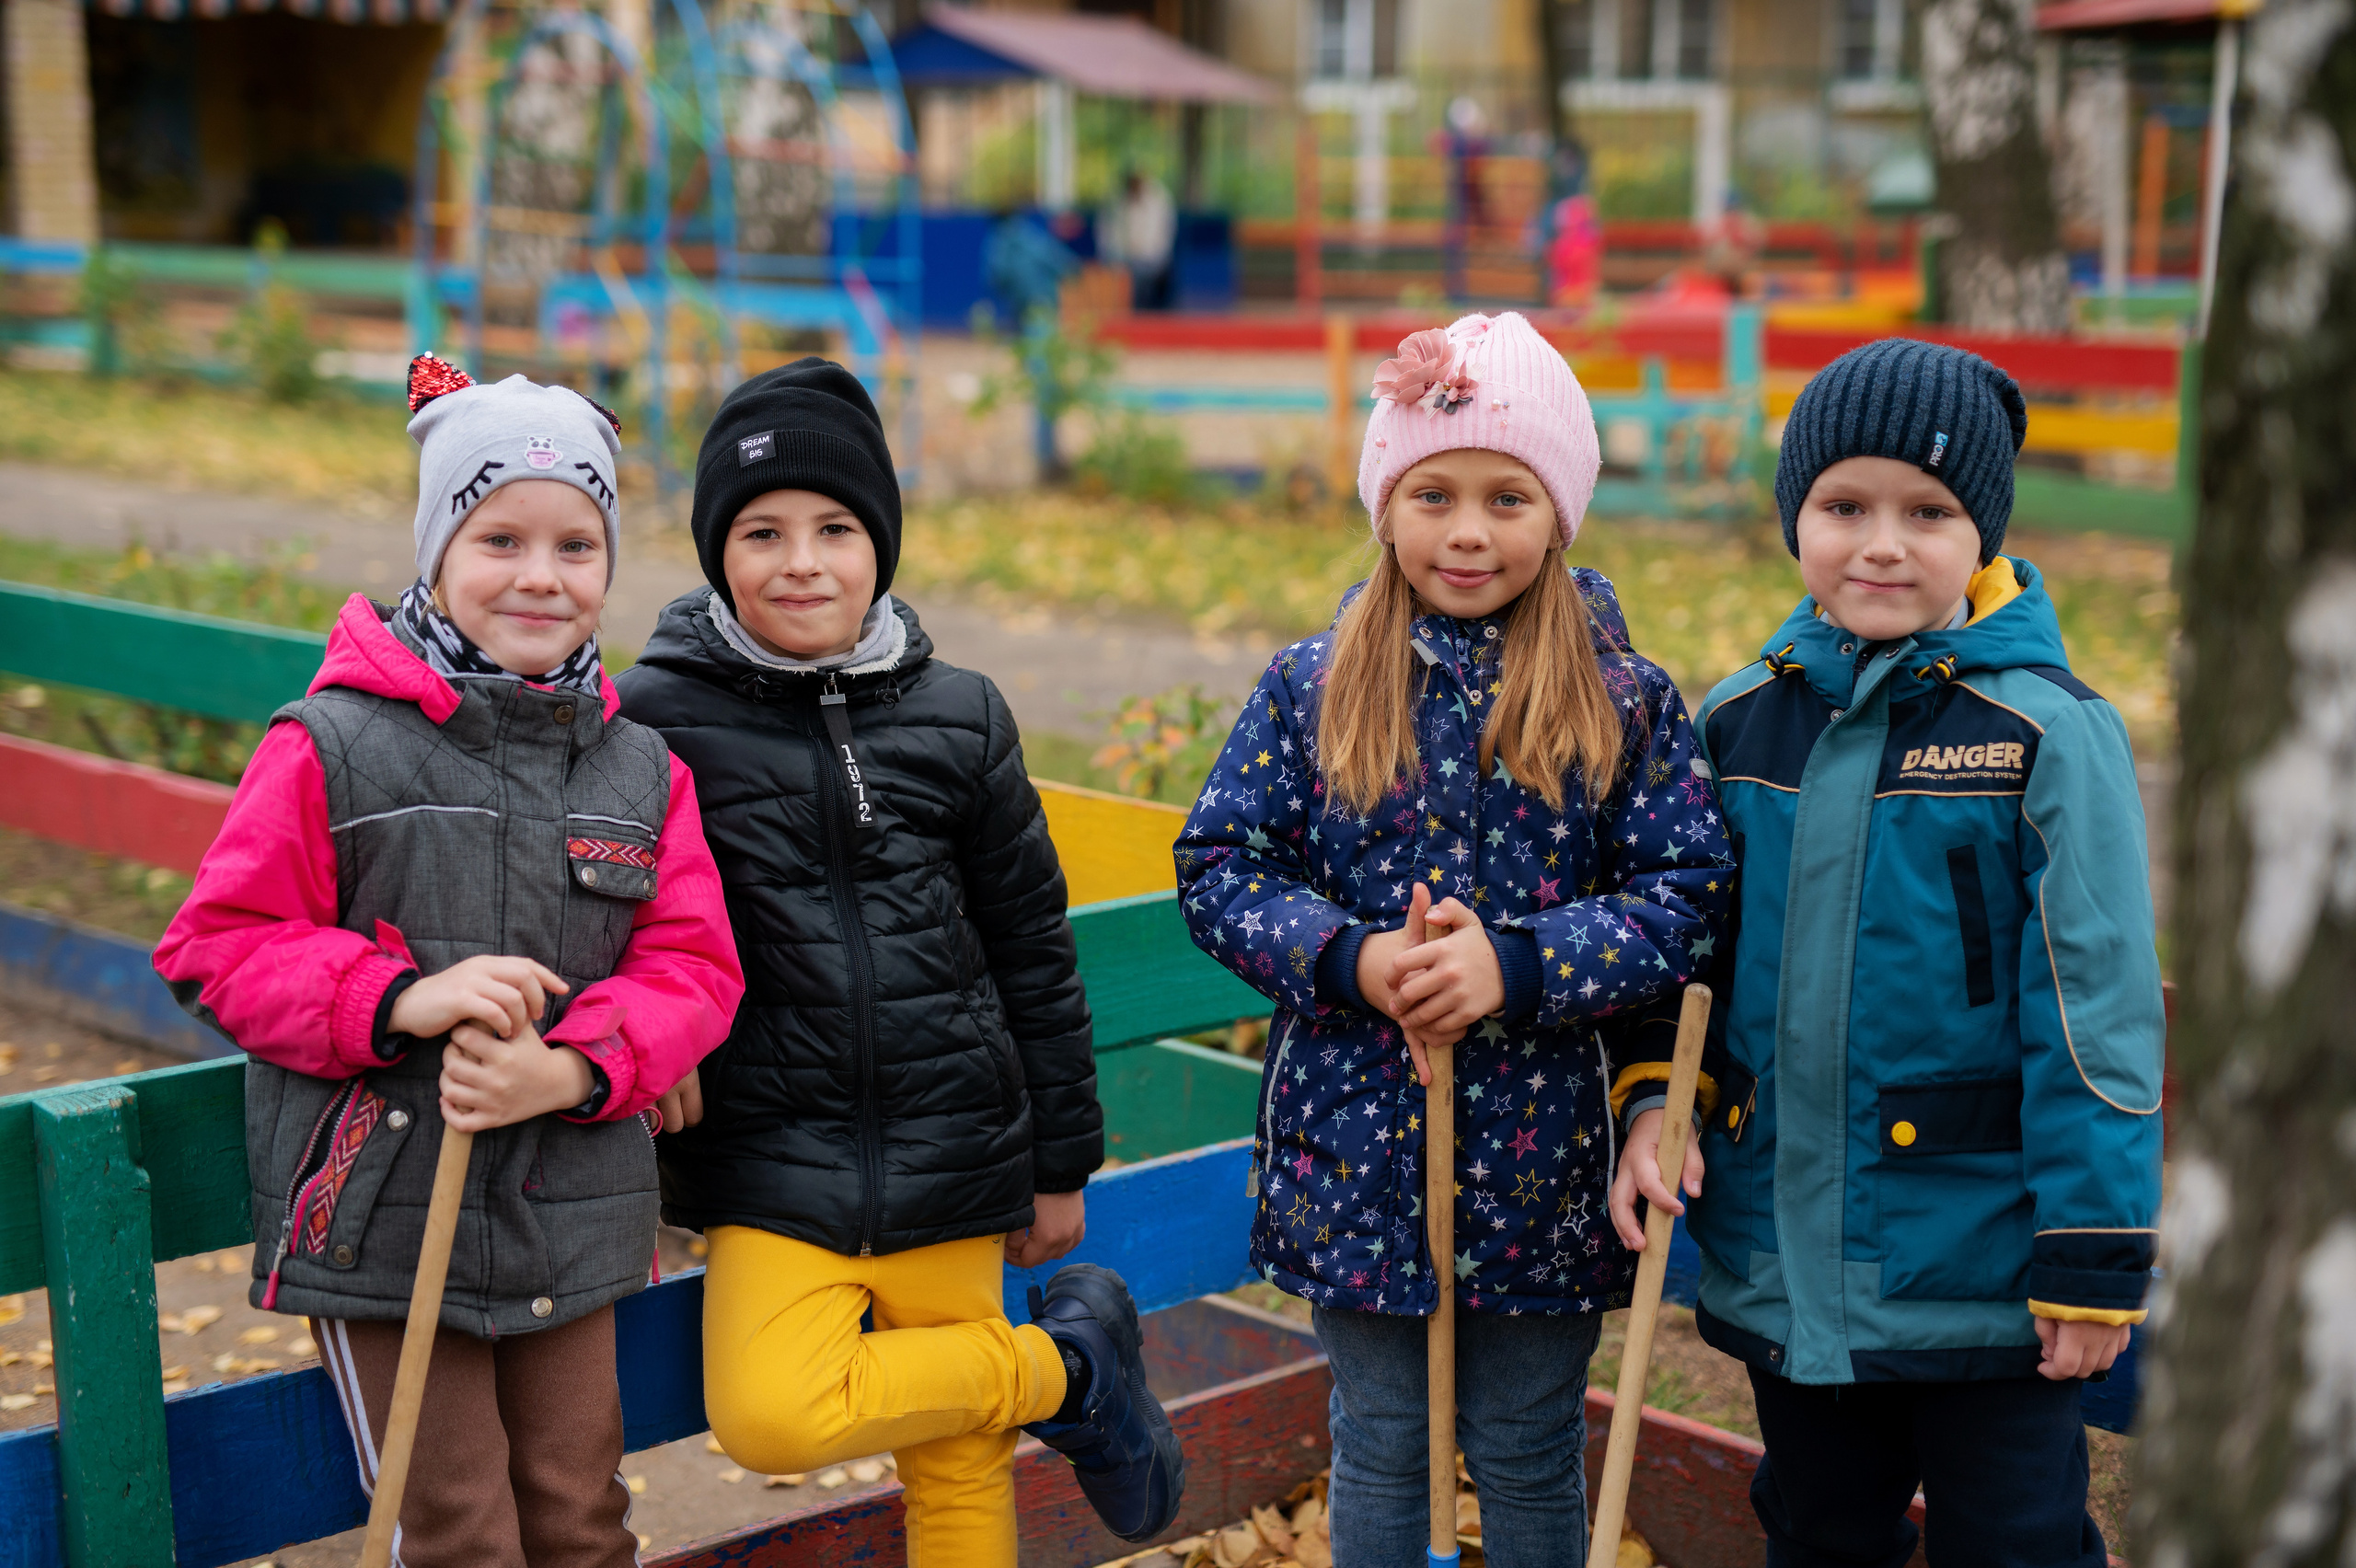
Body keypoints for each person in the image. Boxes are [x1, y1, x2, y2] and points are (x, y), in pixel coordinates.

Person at [155, 356, 744, 1567]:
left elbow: (694, 969)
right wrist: (399, 997)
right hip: (378, 1224)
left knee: (583, 1516)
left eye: (577, 545)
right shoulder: (331, 744)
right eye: (500, 538)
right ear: (435, 549)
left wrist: (577, 1069)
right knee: (463, 1528)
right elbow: (218, 945)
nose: (540, 575)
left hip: (569, 1214)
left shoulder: (642, 773)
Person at [1175, 313, 1732, 1566]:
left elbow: (1686, 893)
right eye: (1433, 493)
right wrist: (1352, 958)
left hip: (1546, 1168)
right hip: (1358, 1153)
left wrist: (1516, 965)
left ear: (1560, 509)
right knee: (1379, 1437)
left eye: (1507, 496)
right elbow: (1221, 865)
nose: (1468, 531)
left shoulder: (1622, 697)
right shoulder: (1314, 684)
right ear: (1386, 503)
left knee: (1530, 1441)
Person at [613, 359, 1186, 1567]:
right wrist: (636, 1033)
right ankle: (1067, 1367)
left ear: (882, 544)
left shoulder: (962, 716)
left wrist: (1061, 1159)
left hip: (956, 1143)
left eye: (836, 528)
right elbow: (605, 908)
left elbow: (1033, 948)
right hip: (772, 1155)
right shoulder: (649, 718)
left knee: (961, 1467)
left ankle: (1045, 1370)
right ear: (718, 551)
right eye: (762, 532)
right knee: (772, 1415)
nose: (801, 560)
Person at [1610, 338, 2165, 1565]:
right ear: (1794, 518)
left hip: (1986, 1268)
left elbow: (2098, 1006)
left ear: (1986, 537)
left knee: (2014, 1540)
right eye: (1844, 505)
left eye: (1929, 511)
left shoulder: (2045, 734)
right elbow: (1683, 956)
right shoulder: (1738, 720)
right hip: (1788, 1267)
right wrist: (1659, 1104)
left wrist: (2093, 1249)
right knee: (1816, 1530)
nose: (1882, 542)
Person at [1100, 168, 1176, 311]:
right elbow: (1108, 235)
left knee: (1143, 276)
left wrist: (1153, 256)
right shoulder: (1116, 203)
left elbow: (1162, 236)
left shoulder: (1159, 201)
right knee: (1125, 275)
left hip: (1151, 258)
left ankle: (1141, 312)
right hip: (1123, 258)